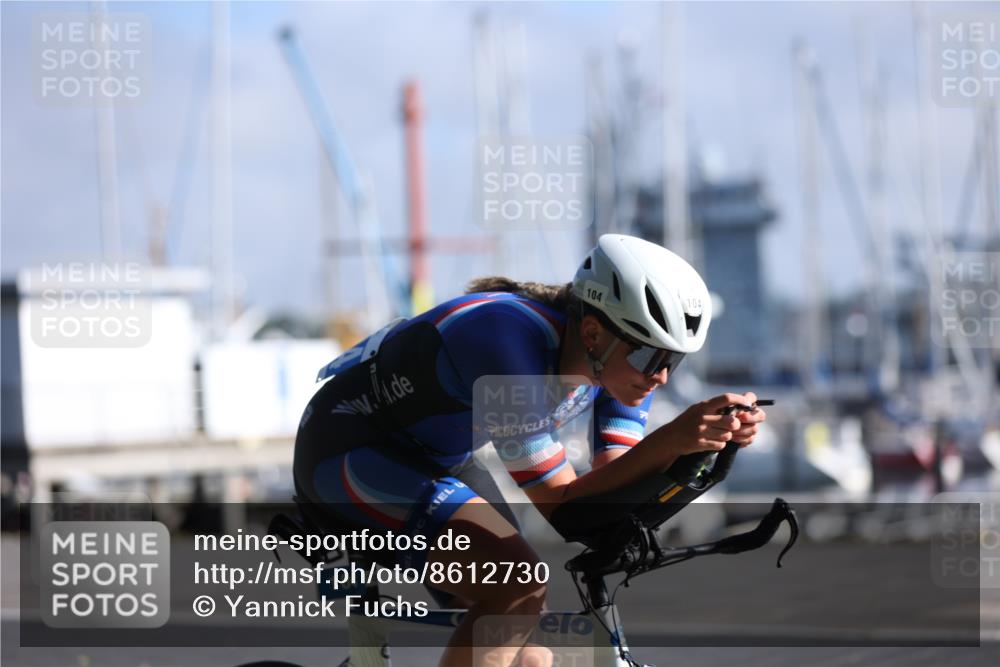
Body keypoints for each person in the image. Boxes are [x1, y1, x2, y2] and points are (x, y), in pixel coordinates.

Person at [293, 234, 766, 667]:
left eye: (673, 360)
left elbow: (614, 485)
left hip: (439, 458)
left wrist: (704, 444)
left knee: (529, 653)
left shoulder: (620, 366)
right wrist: (674, 437)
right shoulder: (503, 341)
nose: (660, 375)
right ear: (593, 333)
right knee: (517, 585)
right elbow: (563, 506)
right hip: (348, 451)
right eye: (650, 355)